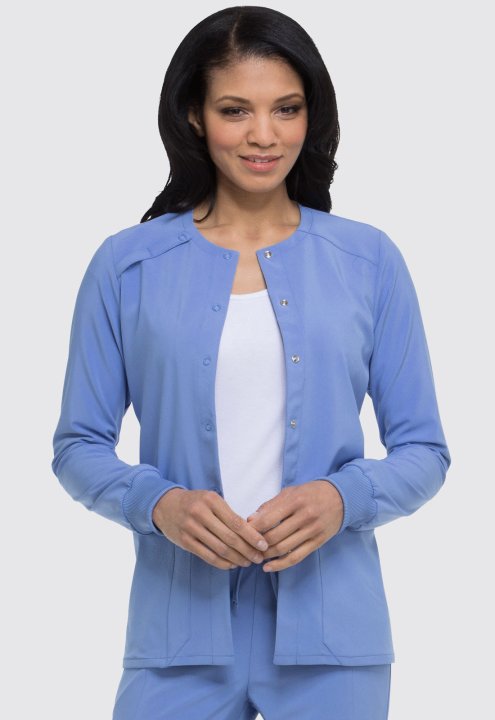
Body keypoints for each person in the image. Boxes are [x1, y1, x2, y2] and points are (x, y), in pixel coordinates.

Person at [51, 6, 451, 719]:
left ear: (311, 116)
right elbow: (78, 446)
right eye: (235, 110)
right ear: (194, 116)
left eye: (286, 109)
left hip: (333, 635)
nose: (264, 135)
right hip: (177, 635)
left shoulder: (368, 260)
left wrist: (342, 497)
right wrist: (158, 504)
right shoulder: (127, 264)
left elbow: (424, 450)